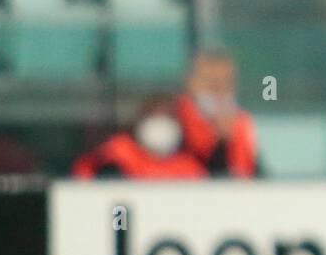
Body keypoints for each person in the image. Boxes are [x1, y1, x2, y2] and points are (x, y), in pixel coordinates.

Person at [73, 96, 208, 179]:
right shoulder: (122, 151)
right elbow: (85, 174)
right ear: (142, 121)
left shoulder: (188, 167)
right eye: (154, 116)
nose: (160, 123)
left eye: (167, 117)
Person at [175, 50, 261, 178]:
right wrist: (222, 142)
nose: (219, 90)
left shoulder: (241, 126)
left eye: (227, 83)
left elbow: (257, 177)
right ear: (190, 82)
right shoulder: (173, 124)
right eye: (211, 82)